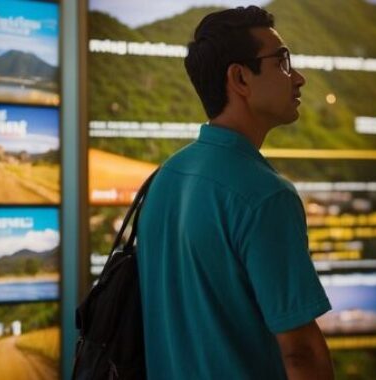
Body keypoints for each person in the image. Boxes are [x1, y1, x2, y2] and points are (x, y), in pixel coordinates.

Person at [137, 6, 333, 379]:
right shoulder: (265, 196)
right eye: (283, 62)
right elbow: (302, 354)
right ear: (240, 78)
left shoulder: (165, 177)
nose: (299, 78)